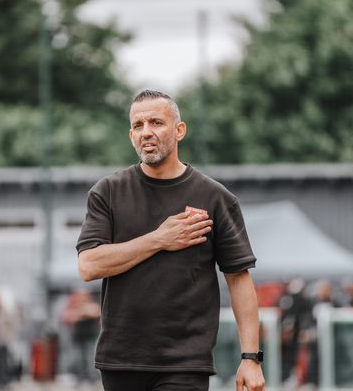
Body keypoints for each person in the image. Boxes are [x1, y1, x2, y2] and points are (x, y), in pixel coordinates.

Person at [77, 90, 265, 391]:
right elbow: (89, 265)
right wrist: (159, 239)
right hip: (120, 361)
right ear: (131, 135)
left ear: (179, 130)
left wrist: (251, 358)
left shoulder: (215, 198)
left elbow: (238, 279)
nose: (146, 132)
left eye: (156, 122)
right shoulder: (107, 193)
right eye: (138, 125)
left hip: (185, 363)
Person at [62, 289, 100, 383]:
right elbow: (68, 317)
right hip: (77, 337)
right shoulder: (72, 306)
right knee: (77, 357)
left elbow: (95, 312)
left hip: (90, 336)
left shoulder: (92, 305)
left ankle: (91, 378)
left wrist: (82, 312)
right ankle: (79, 377)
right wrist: (82, 313)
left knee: (90, 358)